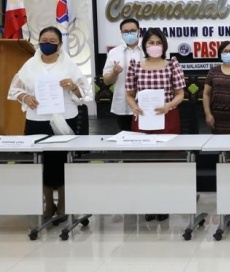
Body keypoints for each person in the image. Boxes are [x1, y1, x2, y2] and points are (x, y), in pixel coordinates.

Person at [8, 26, 88, 222]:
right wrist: (25, 97)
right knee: (40, 162)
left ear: (60, 44)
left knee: (61, 162)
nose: (47, 44)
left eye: (53, 41)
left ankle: (62, 204)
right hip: (37, 121)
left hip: (64, 119)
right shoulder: (30, 65)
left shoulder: (69, 65)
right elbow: (14, 89)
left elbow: (83, 94)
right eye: (44, 40)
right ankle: (47, 204)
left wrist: (74, 86)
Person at [125, 27, 186, 222]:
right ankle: (148, 203)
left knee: (167, 161)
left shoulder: (172, 65)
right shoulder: (135, 65)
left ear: (164, 45)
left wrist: (168, 105)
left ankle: (165, 203)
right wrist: (134, 107)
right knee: (145, 162)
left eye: (158, 42)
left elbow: (180, 94)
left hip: (167, 117)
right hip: (143, 119)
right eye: (151, 42)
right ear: (144, 45)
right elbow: (129, 94)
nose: (154, 46)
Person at [102, 18, 143, 131]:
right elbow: (106, 81)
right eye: (125, 31)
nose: (129, 34)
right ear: (121, 33)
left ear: (139, 31)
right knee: (127, 139)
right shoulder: (114, 52)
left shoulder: (147, 50)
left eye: (132, 30)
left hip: (147, 104)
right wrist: (114, 73)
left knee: (148, 141)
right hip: (123, 106)